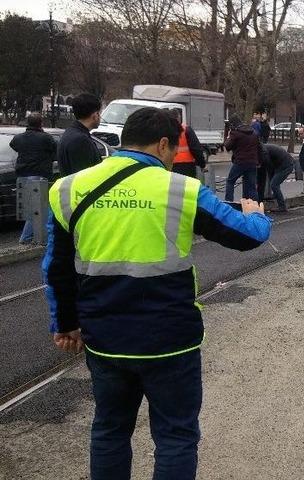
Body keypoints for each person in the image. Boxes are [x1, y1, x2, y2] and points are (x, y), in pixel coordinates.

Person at [42, 107, 271, 480]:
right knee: (176, 436)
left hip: (105, 338)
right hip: (170, 340)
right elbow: (246, 236)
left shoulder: (69, 188)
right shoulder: (180, 189)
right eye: (173, 150)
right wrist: (257, 214)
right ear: (163, 144)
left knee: (110, 430)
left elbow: (56, 267)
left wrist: (66, 324)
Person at [11, 113, 57, 244]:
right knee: (38, 209)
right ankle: (27, 238)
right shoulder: (46, 138)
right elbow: (55, 150)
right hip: (39, 176)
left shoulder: (18, 138)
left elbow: (13, 145)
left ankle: (33, 237)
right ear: (41, 123)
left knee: (29, 209)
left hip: (22, 175)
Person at [58, 93, 103, 175]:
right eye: (99, 113)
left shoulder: (71, 132)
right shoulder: (80, 140)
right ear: (95, 115)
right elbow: (85, 175)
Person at [224, 115, 261, 201]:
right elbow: (259, 148)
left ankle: (229, 203)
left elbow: (227, 146)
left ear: (232, 124)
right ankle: (254, 205)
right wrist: (258, 161)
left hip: (240, 162)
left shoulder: (235, 133)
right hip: (252, 162)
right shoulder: (254, 132)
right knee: (251, 186)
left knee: (230, 181)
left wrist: (227, 135)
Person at [167, 109, 206, 179]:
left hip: (170, 165)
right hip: (187, 166)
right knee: (188, 187)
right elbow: (196, 149)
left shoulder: (164, 131)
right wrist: (202, 164)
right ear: (179, 117)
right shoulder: (186, 129)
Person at [263, 143, 295, 212]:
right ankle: (275, 198)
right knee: (274, 183)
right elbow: (269, 169)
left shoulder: (264, 151)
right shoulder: (263, 148)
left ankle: (282, 206)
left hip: (286, 166)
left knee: (274, 185)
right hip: (279, 165)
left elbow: (268, 166)